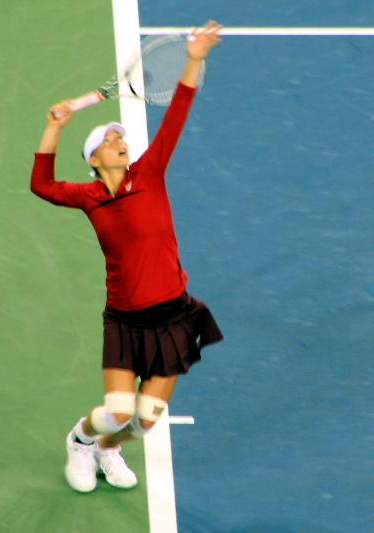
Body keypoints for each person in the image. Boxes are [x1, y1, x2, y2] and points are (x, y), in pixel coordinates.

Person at [30, 21, 224, 492]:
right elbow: (42, 185)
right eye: (109, 141)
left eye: (121, 137)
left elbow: (178, 111)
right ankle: (82, 442)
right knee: (117, 409)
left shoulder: (151, 172)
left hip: (174, 314)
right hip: (125, 318)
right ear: (95, 159)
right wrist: (54, 128)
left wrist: (194, 59)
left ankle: (108, 450)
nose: (121, 142)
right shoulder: (88, 196)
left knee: (146, 420)